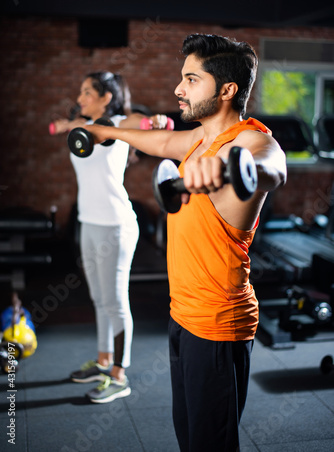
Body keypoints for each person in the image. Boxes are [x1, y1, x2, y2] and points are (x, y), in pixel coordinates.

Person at [78, 35, 287, 450]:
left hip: (218, 326)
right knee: (188, 436)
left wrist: (231, 168)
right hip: (184, 315)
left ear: (227, 90)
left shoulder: (249, 141)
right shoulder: (197, 140)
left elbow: (272, 165)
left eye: (191, 79)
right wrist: (103, 130)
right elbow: (157, 142)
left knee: (210, 444)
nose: (179, 89)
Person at [52, 71, 169, 404]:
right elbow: (76, 125)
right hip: (87, 222)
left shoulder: (119, 121)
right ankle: (103, 361)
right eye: (81, 91)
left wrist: (153, 121)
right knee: (99, 298)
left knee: (116, 301)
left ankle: (119, 376)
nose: (80, 97)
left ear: (107, 96)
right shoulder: (82, 123)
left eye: (87, 92)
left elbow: (140, 120)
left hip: (117, 225)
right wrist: (67, 125)